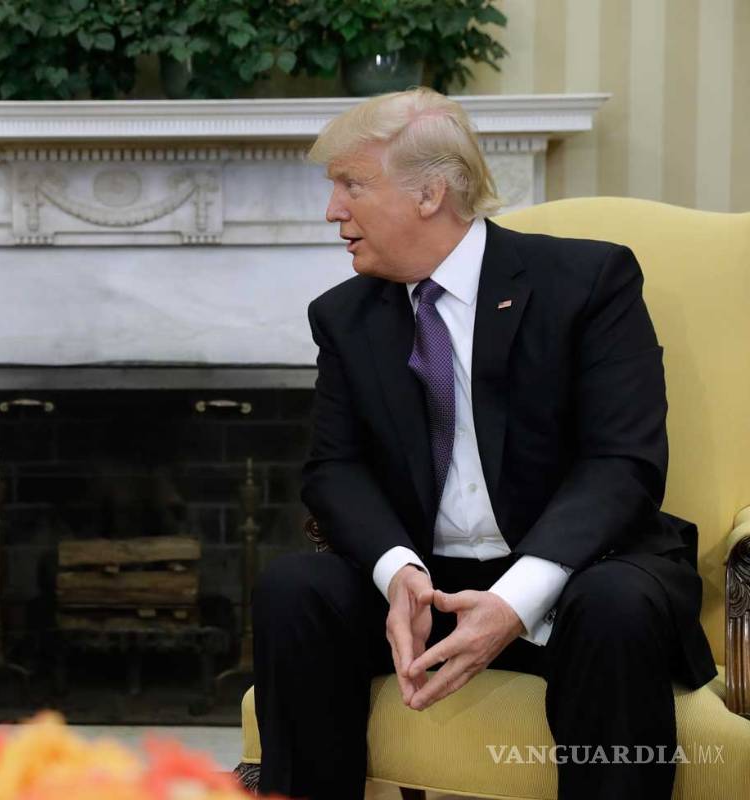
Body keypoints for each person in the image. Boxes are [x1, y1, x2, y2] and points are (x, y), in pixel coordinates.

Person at [252, 88, 715, 800]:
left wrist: (515, 598)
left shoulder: (587, 282)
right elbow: (333, 469)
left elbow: (623, 465)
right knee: (296, 588)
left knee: (616, 606)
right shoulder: (345, 316)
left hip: (577, 577)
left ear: (430, 192)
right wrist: (397, 573)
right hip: (430, 581)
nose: (332, 210)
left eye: (351, 185)